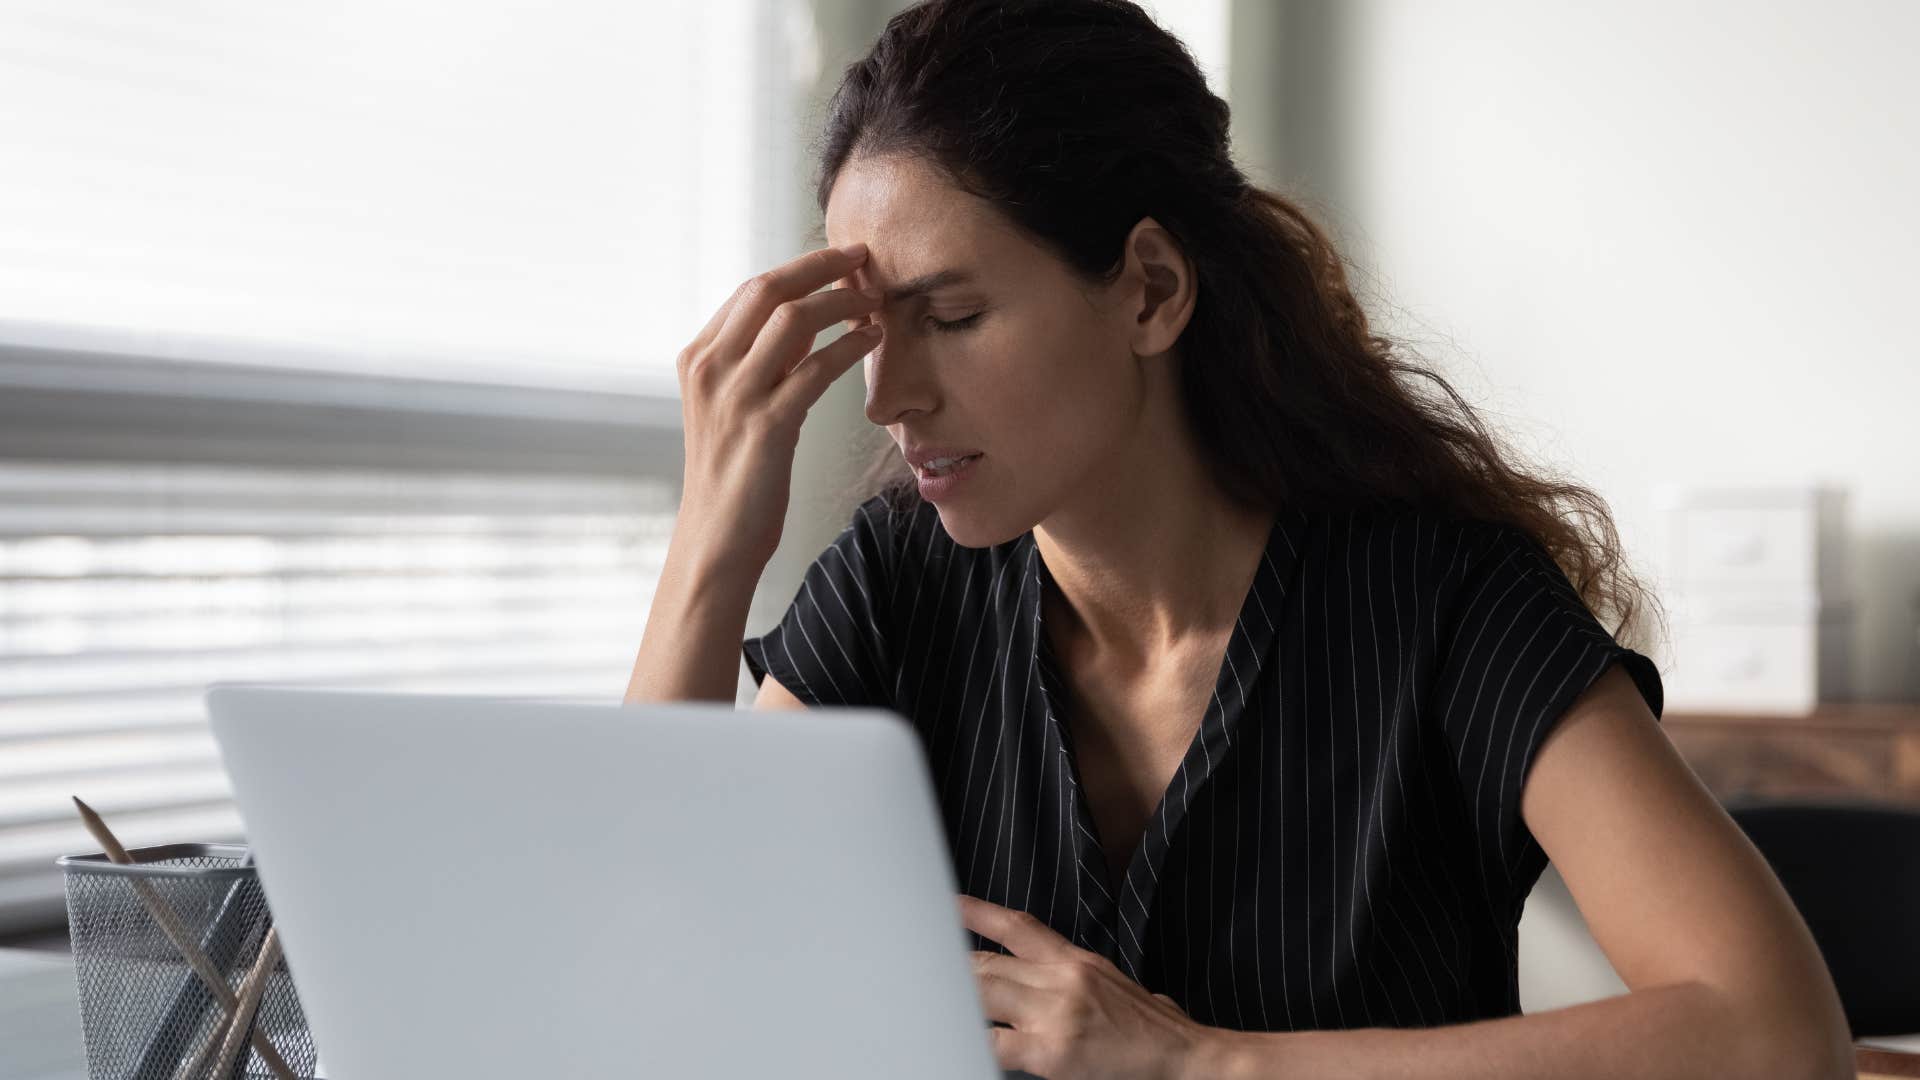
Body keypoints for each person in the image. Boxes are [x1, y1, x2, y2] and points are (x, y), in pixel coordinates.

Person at [625, 1, 1854, 1077]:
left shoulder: (1444, 599)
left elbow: (1770, 1037)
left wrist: (1205, 1065)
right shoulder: (896, 588)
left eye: (951, 315)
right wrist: (711, 550)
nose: (888, 395)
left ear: (1151, 289)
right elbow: (636, 974)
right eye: (872, 329)